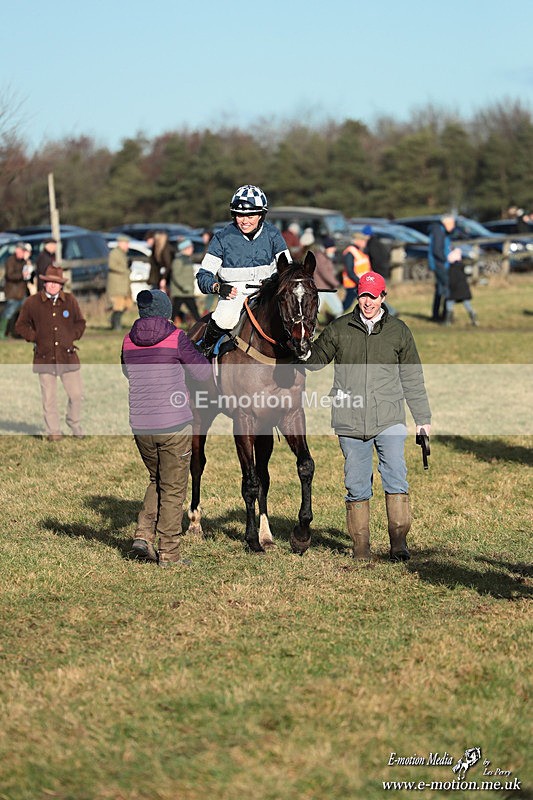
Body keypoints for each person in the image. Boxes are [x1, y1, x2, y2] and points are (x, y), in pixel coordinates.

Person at [306, 271, 431, 562]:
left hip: (389, 418)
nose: (367, 302)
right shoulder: (339, 328)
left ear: (383, 297)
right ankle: (360, 548)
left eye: (373, 297)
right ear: (357, 296)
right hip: (349, 421)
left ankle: (398, 543)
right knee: (356, 484)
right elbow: (314, 361)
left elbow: (412, 377)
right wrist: (300, 343)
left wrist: (422, 418)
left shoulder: (398, 331)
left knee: (396, 478)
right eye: (363, 296)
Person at [121, 289, 211, 567]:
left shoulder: (127, 340)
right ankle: (169, 554)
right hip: (173, 424)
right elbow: (203, 373)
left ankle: (142, 536)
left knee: (156, 479)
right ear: (166, 312)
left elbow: (127, 370)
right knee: (173, 488)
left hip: (140, 425)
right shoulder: (177, 338)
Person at [196, 184, 290, 358]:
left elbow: (288, 269)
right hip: (233, 294)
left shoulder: (273, 234)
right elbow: (203, 276)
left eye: (251, 215)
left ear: (261, 215)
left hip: (267, 293)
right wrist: (218, 287)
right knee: (225, 318)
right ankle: (203, 354)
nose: (245, 221)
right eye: (240, 215)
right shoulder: (221, 238)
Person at [15, 265, 86, 441]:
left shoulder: (70, 301)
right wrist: (35, 337)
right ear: (44, 283)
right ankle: (53, 431)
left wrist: (72, 336)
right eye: (49, 282)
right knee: (49, 398)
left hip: (68, 355)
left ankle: (74, 422)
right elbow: (20, 325)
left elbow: (80, 322)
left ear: (61, 285)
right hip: (44, 357)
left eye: (57, 282)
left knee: (77, 395)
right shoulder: (32, 302)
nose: (53, 285)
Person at [300, 231, 342, 321]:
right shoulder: (320, 257)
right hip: (321, 288)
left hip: (327, 288)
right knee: (314, 310)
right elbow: (325, 273)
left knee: (338, 309)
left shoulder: (325, 256)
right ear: (326, 248)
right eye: (332, 247)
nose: (334, 249)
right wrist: (336, 283)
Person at [428, 214, 457, 322]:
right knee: (446, 289)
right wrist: (447, 258)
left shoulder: (441, 231)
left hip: (440, 264)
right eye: (452, 223)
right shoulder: (439, 232)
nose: (453, 226)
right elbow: (437, 250)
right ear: (446, 223)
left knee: (440, 290)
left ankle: (437, 315)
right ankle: (446, 315)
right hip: (440, 264)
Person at [363, 225, 397, 316]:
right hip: (384, 271)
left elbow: (375, 259)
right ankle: (389, 311)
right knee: (377, 295)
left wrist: (373, 271)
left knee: (376, 295)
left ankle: (391, 311)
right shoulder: (378, 242)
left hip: (378, 272)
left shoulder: (371, 245)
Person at [0, 242, 30, 339]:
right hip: (12, 293)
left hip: (22, 292)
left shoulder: (24, 262)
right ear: (17, 250)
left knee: (26, 313)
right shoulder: (10, 261)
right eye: (22, 251)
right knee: (8, 313)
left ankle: (20, 333)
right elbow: (9, 275)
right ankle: (2, 333)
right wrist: (22, 275)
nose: (23, 253)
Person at [169, 238, 201, 327]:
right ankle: (168, 327)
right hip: (180, 292)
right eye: (190, 247)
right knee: (174, 312)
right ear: (185, 248)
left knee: (194, 311)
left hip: (187, 292)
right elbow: (176, 275)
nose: (192, 249)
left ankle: (200, 326)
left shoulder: (188, 259)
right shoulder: (178, 260)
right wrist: (184, 286)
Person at [107, 234, 132, 330]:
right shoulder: (114, 253)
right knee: (118, 305)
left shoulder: (122, 254)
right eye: (126, 243)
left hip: (124, 284)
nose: (127, 246)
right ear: (120, 243)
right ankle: (116, 325)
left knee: (126, 304)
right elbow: (112, 265)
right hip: (117, 285)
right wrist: (125, 270)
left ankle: (114, 321)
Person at [341, 231, 371, 311]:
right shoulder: (350, 252)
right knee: (347, 304)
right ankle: (335, 317)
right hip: (353, 283)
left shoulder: (360, 251)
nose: (365, 242)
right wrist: (360, 282)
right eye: (364, 240)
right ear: (357, 241)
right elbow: (350, 271)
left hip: (361, 282)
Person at [445, 255, 478, 326]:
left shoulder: (451, 269)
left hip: (454, 290)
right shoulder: (463, 267)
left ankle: (448, 321)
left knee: (449, 302)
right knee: (467, 303)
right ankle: (473, 316)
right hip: (464, 290)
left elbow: (451, 281)